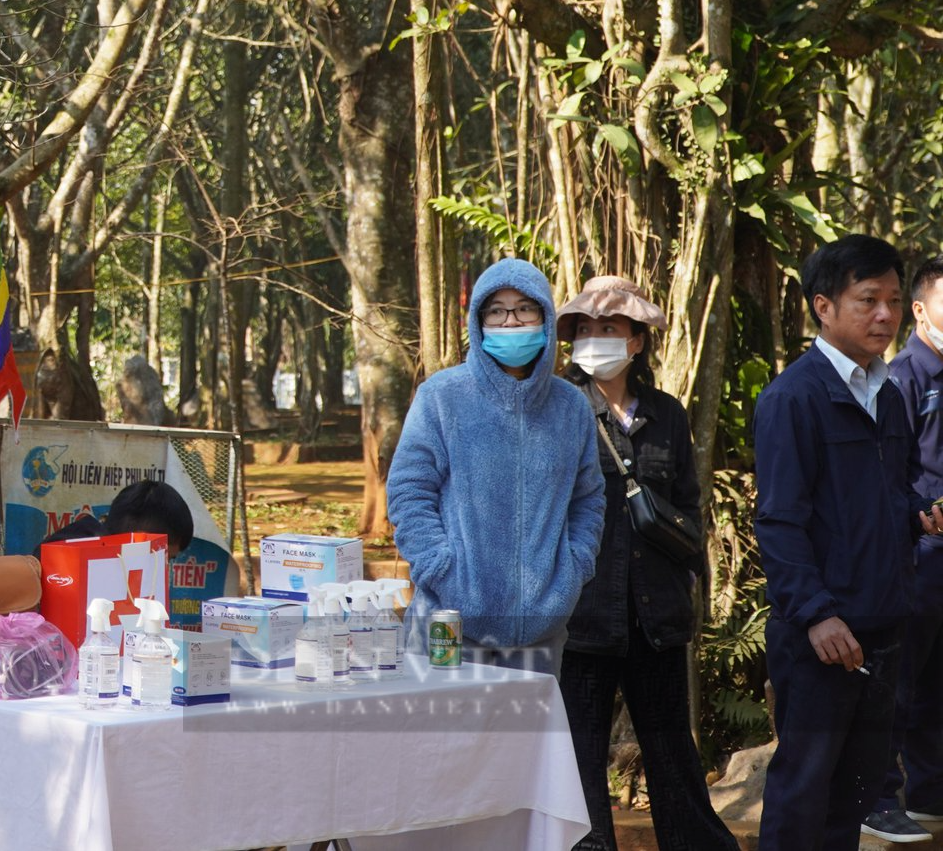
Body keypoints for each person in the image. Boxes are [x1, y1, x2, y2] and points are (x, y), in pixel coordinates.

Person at [756, 235, 943, 850]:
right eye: (867, 300)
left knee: (855, 797)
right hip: (822, 637)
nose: (885, 315)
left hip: (882, 626)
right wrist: (816, 615)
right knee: (801, 793)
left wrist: (920, 513)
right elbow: (780, 521)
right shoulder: (793, 398)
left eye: (892, 300)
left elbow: (885, 496)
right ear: (823, 306)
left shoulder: (886, 395)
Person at [552, 276, 736, 851]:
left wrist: (687, 580)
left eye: (609, 328)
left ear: (636, 342)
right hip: (581, 615)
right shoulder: (558, 408)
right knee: (577, 751)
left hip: (656, 615)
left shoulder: (667, 414)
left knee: (671, 750)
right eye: (584, 328)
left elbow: (686, 503)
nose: (594, 338)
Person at [385, 257, 603, 673]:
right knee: (442, 736)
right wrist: (442, 569)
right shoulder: (442, 397)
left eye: (524, 309)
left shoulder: (571, 407)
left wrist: (573, 570)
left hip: (540, 630)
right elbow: (409, 492)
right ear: (478, 320)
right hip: (449, 624)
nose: (511, 322)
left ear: (546, 318)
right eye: (497, 311)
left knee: (527, 738)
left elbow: (588, 499)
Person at [870, 255, 943, 843]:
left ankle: (931, 792)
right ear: (919, 310)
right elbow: (893, 473)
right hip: (917, 555)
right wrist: (924, 510)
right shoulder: (904, 376)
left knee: (937, 679)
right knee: (901, 679)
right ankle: (879, 796)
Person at [40, 478, 194, 557]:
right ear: (138, 539)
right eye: (160, 559)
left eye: (169, 561)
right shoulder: (59, 556)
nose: (163, 572)